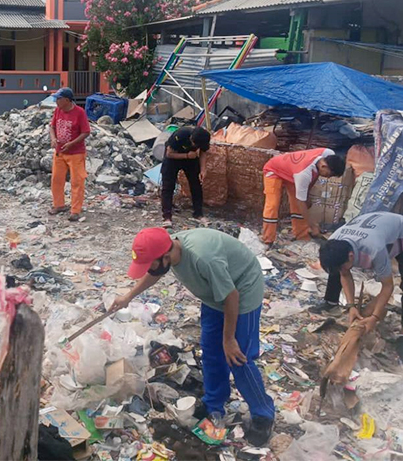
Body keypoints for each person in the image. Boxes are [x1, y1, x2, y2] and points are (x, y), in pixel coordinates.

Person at [110, 227, 275, 446]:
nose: (148, 269)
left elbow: (231, 296)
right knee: (211, 353)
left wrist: (229, 339)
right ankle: (214, 403)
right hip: (214, 295)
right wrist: (128, 296)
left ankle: (263, 414)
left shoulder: (203, 258)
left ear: (166, 257)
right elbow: (155, 273)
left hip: (241, 291)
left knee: (238, 357)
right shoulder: (168, 251)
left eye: (150, 263)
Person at [317, 212, 403, 363]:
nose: (343, 271)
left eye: (345, 265)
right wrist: (352, 306)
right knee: (338, 268)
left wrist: (374, 317)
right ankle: (330, 302)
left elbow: (387, 286)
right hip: (379, 229)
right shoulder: (334, 241)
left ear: (351, 256)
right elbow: (345, 274)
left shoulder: (374, 248)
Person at [261, 148, 345, 244]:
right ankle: (268, 239)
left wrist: (307, 196)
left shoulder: (328, 153)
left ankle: (301, 236)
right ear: (323, 166)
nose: (329, 177)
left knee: (297, 206)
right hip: (273, 169)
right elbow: (301, 202)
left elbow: (313, 178)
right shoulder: (303, 174)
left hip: (292, 171)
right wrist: (313, 226)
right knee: (272, 205)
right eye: (330, 174)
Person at [49, 87, 90, 222]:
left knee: (77, 182)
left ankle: (75, 210)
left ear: (67, 100)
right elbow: (52, 127)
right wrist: (53, 139)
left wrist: (72, 143)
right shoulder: (58, 110)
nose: (56, 101)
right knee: (56, 179)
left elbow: (85, 132)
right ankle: (58, 205)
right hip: (60, 152)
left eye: (58, 99)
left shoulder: (79, 113)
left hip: (76, 153)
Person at [161, 126, 211, 226]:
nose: (194, 145)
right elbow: (169, 153)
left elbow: (203, 153)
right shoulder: (180, 134)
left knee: (196, 184)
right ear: (191, 138)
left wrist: (203, 169)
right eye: (194, 143)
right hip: (174, 157)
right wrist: (187, 155)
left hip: (190, 158)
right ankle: (167, 216)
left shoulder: (203, 139)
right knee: (168, 186)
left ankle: (198, 213)